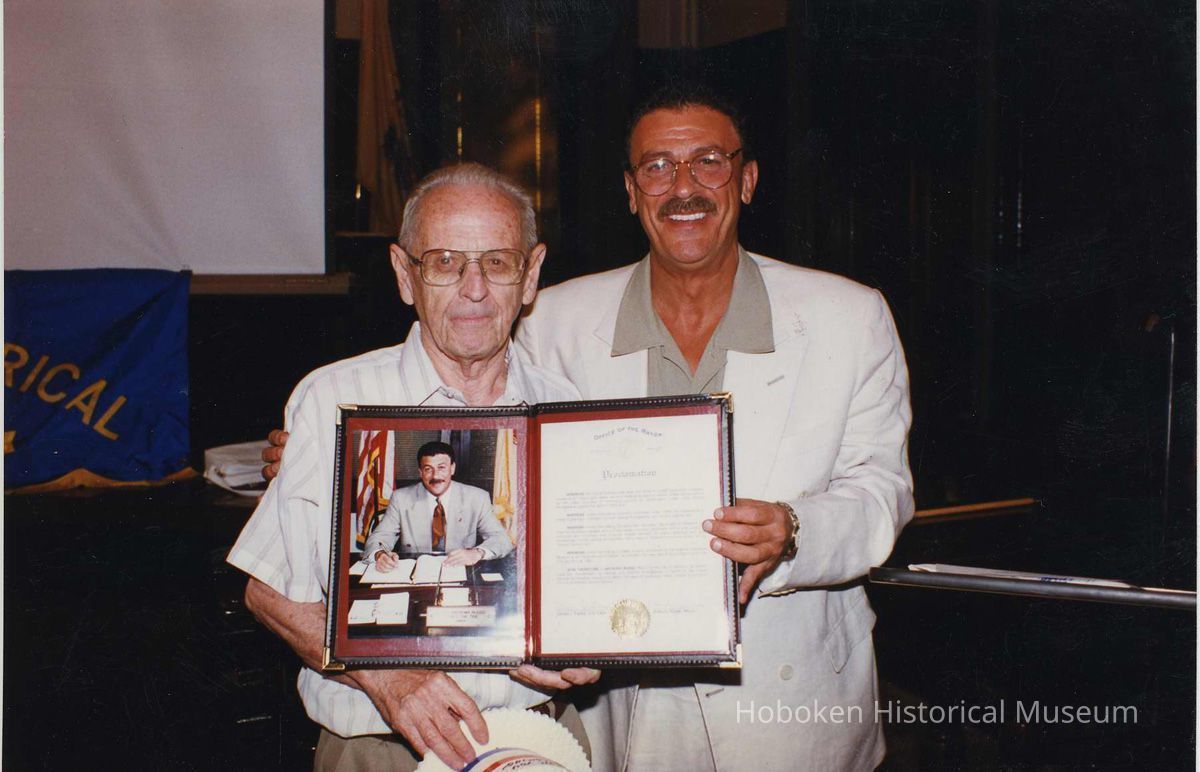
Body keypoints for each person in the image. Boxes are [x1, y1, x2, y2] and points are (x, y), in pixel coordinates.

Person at [512, 81, 914, 770]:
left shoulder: (849, 317)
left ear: (747, 180)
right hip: (618, 700)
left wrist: (794, 531)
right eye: (657, 166)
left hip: (790, 700)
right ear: (631, 191)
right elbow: (507, 478)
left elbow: (883, 492)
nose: (683, 187)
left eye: (708, 162)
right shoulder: (551, 323)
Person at [228, 163, 599, 772]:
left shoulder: (568, 409)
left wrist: (584, 640)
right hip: (382, 751)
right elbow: (267, 591)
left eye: (497, 262)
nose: (474, 289)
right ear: (405, 275)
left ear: (530, 275)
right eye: (445, 262)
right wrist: (388, 676)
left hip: (541, 740)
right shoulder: (333, 399)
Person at [364, 440, 511, 570]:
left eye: (441, 467)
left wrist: (477, 553)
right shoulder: (401, 498)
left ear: (452, 468)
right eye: (428, 469)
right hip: (416, 572)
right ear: (420, 472)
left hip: (459, 571)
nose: (435, 476)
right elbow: (380, 537)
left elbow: (501, 540)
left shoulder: (477, 497)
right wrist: (379, 555)